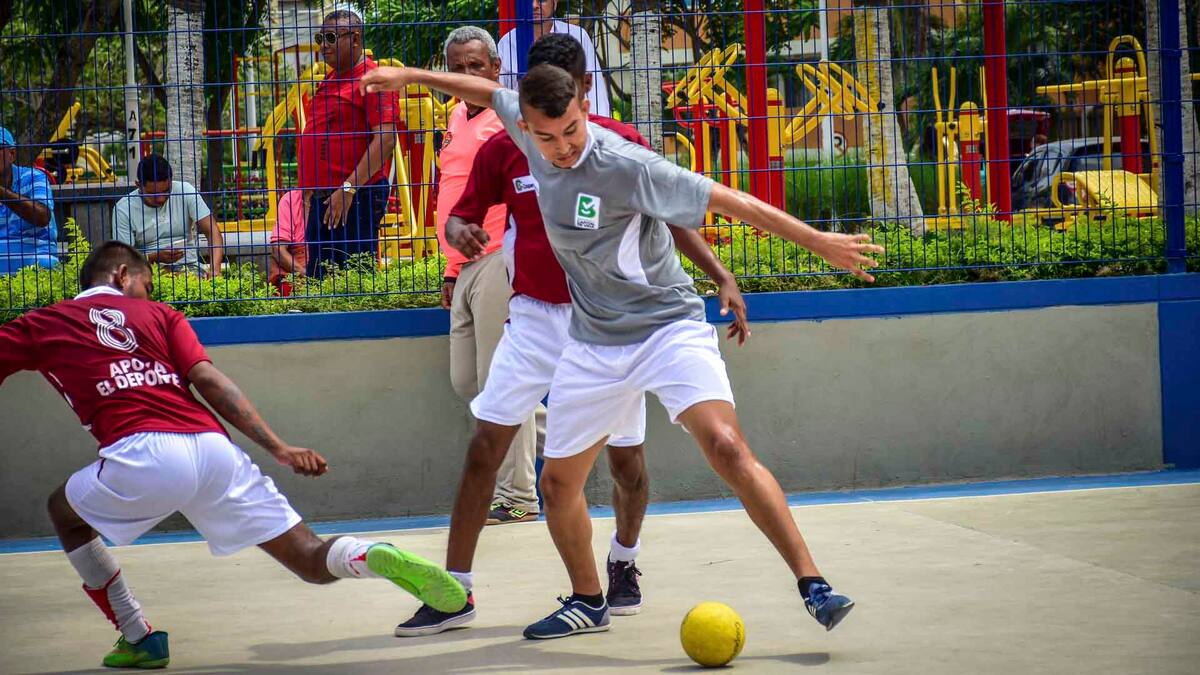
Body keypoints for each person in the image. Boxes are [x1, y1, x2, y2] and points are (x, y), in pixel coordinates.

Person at [361, 61, 882, 640]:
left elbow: (729, 200)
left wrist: (817, 241)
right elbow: (483, 89)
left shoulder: (627, 163)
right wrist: (409, 75)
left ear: (585, 110)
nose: (563, 147)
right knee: (557, 486)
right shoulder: (521, 133)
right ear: (525, 127)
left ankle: (814, 584)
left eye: (572, 131)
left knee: (726, 445)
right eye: (548, 137)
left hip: (666, 327)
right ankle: (588, 602)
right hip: (594, 341)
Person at [393, 33, 750, 637]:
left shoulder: (617, 144)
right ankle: (456, 592)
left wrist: (721, 275)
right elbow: (461, 215)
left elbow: (668, 215)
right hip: (534, 319)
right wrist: (458, 233)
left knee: (626, 460)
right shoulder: (507, 147)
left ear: (584, 91)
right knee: (485, 445)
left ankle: (624, 561)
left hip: (609, 324)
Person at [0, 241, 467, 668]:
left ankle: (137, 635)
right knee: (310, 560)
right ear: (123, 275)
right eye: (147, 284)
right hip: (213, 450)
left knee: (64, 513)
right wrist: (278, 447)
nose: (149, 294)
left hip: (140, 453)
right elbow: (209, 380)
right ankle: (369, 553)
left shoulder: (45, 323)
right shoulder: (162, 316)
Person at [435, 26, 542, 527]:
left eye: (475, 66)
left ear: (496, 69)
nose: (467, 76)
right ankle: (570, 431)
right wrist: (451, 269)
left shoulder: (511, 116)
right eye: (457, 68)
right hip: (464, 267)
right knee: (469, 382)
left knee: (499, 383)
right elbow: (454, 192)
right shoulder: (456, 116)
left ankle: (518, 496)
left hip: (500, 258)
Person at [299, 7, 398, 276]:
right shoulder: (331, 78)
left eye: (331, 38)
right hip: (325, 198)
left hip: (356, 195)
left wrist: (348, 188)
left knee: (354, 279)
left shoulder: (373, 79)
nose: (323, 46)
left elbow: (386, 140)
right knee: (320, 280)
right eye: (320, 38)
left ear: (355, 39)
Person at [112, 154, 224, 278]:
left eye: (166, 191)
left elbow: (212, 231)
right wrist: (154, 257)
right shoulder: (123, 209)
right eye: (153, 194)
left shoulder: (185, 191)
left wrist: (215, 270)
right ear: (139, 185)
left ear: (171, 181)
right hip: (146, 273)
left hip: (190, 269)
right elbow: (124, 259)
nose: (161, 199)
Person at [496, 0, 611, 117]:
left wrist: (598, 123)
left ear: (555, 2)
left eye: (542, 0)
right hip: (524, 122)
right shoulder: (507, 43)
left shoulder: (578, 36)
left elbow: (596, 93)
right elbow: (501, 95)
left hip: (571, 120)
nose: (534, 5)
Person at [0, 126, 59, 274]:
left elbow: (42, 217)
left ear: (12, 154)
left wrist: (2, 193)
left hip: (35, 262)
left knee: (45, 265)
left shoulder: (33, 177)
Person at [268, 189, 307, 296]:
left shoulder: (338, 197)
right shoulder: (291, 199)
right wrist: (305, 274)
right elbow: (278, 250)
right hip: (296, 269)